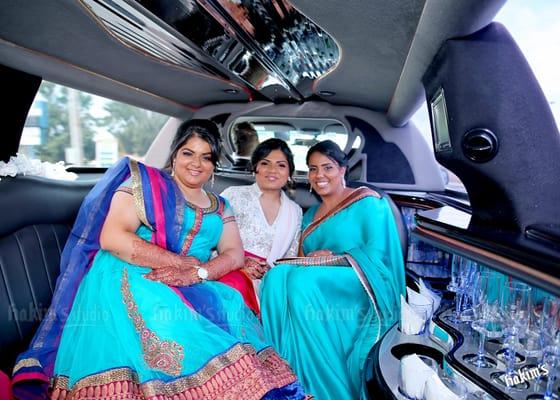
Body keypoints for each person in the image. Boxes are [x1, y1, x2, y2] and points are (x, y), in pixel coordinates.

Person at [12, 120, 307, 400]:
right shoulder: (144, 185)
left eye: (206, 157)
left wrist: (199, 273)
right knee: (167, 321)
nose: (196, 163)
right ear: (175, 155)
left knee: (232, 307)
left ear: (214, 165)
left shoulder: (221, 205)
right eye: (188, 153)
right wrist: (180, 264)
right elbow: (113, 237)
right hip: (130, 270)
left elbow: (234, 253)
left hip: (192, 281)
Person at [260, 140, 405, 400]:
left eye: (327, 167)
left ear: (343, 170)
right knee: (276, 277)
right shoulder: (310, 215)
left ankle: (327, 388)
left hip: (360, 281)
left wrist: (335, 257)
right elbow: (301, 258)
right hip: (316, 277)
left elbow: (377, 254)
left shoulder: (368, 202)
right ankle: (287, 378)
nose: (319, 176)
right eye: (313, 169)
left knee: (301, 284)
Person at [221, 139, 302, 307]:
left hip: (271, 281)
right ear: (255, 167)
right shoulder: (233, 195)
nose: (272, 170)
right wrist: (240, 262)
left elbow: (290, 259)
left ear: (289, 173)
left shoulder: (295, 211)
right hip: (230, 270)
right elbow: (211, 240)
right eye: (265, 163)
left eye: (281, 165)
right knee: (233, 288)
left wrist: (270, 274)